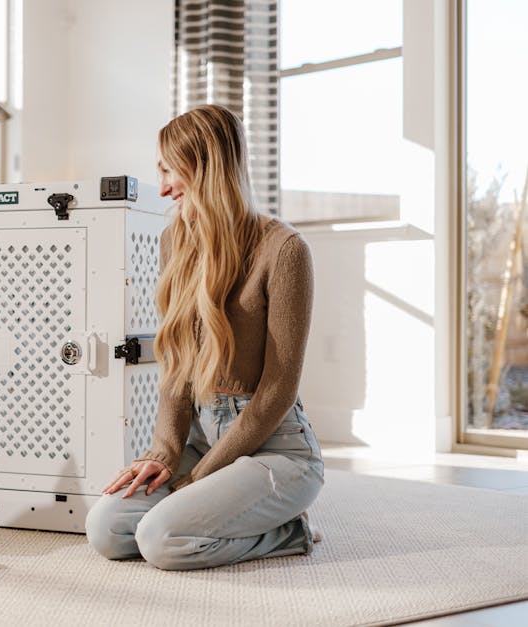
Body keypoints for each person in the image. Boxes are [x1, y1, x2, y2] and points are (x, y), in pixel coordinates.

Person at [85, 104, 323, 570]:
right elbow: (177, 365)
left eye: (171, 170)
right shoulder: (176, 239)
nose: (164, 187)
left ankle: (290, 530)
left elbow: (278, 389)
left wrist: (200, 476)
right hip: (202, 433)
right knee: (107, 530)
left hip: (276, 447)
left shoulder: (285, 249)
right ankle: (228, 512)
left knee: (161, 541)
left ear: (205, 170)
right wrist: (166, 453)